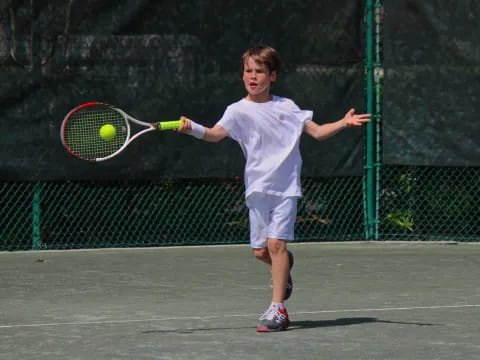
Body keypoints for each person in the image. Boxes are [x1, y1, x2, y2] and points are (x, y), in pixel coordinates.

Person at [177, 45, 370, 332]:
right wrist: (191, 127)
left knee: (276, 245)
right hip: (256, 188)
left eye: (259, 71)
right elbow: (215, 135)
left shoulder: (286, 106)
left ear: (272, 76)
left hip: (285, 188)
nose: (252, 77)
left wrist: (343, 122)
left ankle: (278, 309)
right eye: (248, 71)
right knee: (261, 252)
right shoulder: (236, 111)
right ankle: (284, 266)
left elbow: (316, 132)